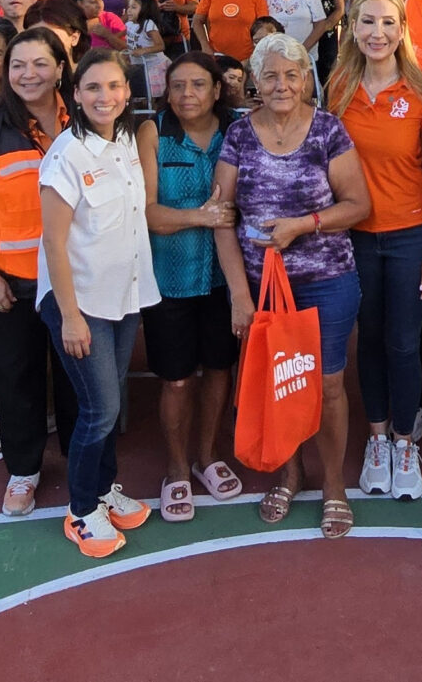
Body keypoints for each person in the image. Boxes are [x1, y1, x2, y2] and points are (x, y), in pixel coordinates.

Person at [211, 33, 371, 538]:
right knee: (278, 382)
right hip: (261, 287)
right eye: (270, 76)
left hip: (327, 281)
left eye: (291, 74)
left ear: (306, 80)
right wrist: (239, 295)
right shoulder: (239, 135)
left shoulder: (328, 130)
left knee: (327, 386)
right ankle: (290, 472)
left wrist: (302, 225)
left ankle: (334, 487)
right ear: (255, 83)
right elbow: (222, 217)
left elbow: (358, 205)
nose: (281, 85)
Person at [326, 0, 422, 501]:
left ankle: (404, 441)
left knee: (404, 342)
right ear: (353, 28)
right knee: (370, 339)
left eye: (388, 22)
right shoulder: (337, 88)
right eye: (368, 21)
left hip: (410, 235)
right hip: (354, 238)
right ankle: (376, 439)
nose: (378, 32)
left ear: (402, 31)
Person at [37, 50, 161, 557]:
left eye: (113, 86)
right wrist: (70, 316)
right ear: (76, 94)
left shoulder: (127, 141)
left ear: (127, 92)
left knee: (111, 405)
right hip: (81, 301)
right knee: (99, 408)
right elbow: (53, 241)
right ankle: (82, 510)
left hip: (123, 296)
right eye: (92, 87)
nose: (104, 97)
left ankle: (105, 489)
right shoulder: (66, 155)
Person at [0, 27, 80, 518]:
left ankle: (83, 464)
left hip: (76, 280)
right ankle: (23, 471)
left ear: (60, 68)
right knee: (17, 377)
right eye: (18, 65)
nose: (28, 74)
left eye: (40, 63)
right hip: (14, 283)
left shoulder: (84, 121)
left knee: (77, 378)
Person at [139, 52, 245, 521]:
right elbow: (148, 212)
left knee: (220, 369)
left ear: (217, 90)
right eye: (178, 85)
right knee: (177, 379)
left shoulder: (237, 131)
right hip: (169, 280)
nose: (187, 94)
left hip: (225, 277)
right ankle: (177, 466)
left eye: (198, 84)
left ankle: (207, 455)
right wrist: (200, 217)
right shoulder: (153, 133)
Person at [263, 0, 333, 79]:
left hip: (303, 56)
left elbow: (320, 24)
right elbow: (261, 23)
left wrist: (302, 50)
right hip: (273, 55)